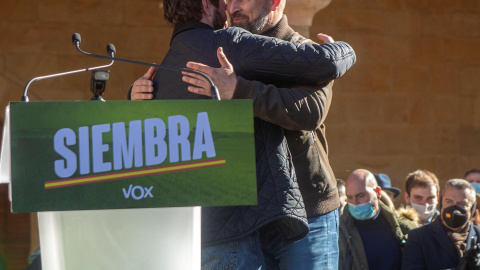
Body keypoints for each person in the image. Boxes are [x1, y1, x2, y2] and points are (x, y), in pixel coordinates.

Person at [129, 0, 356, 269]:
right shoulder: (222, 48)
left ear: (274, 2)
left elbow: (310, 110)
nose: (231, 5)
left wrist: (240, 90)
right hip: (248, 218)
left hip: (308, 208)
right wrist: (142, 94)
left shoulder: (303, 51)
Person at [338, 169, 417, 270]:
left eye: (361, 196)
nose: (355, 203)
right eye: (349, 197)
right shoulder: (340, 233)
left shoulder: (402, 227)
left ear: (378, 192)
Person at [402, 179, 480, 270]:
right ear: (441, 203)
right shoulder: (419, 237)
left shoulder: (478, 234)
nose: (454, 208)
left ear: (472, 207)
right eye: (449, 201)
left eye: (462, 203)